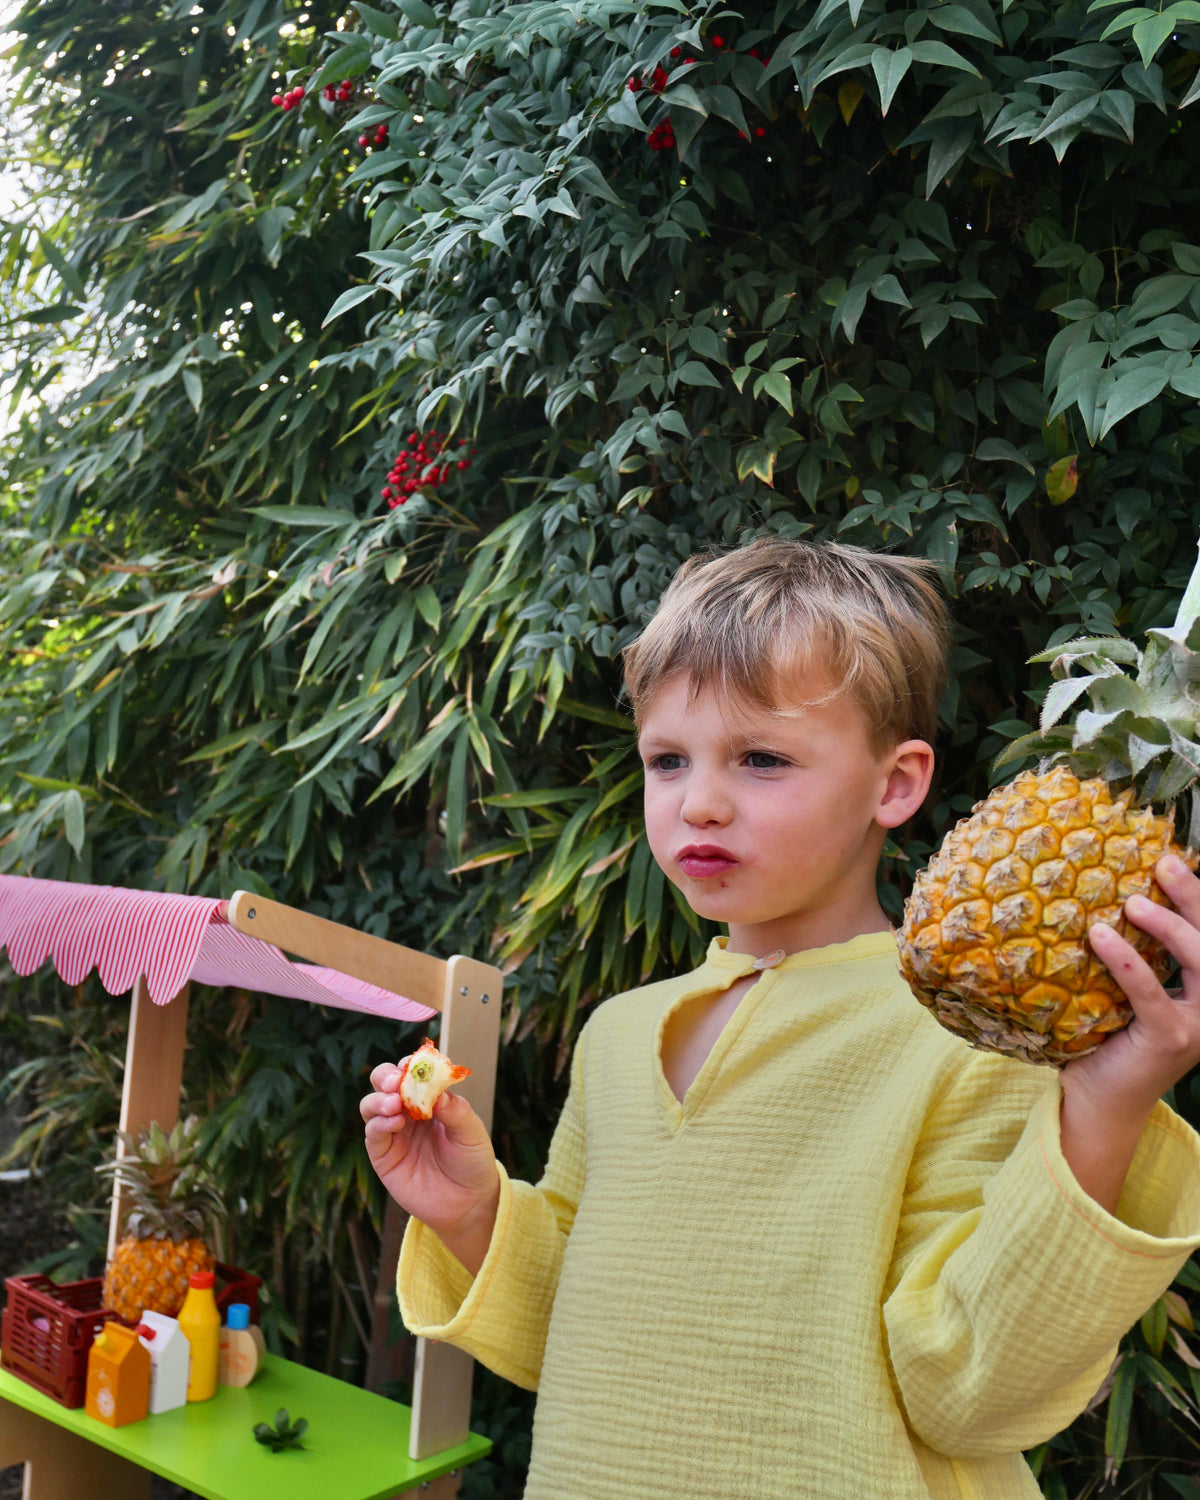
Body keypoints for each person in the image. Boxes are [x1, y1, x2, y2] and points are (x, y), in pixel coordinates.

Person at [360, 537, 1200, 1500]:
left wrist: (1102, 1111)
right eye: (667, 760)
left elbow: (972, 1392)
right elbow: (588, 1340)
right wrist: (473, 1214)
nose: (699, 803)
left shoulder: (970, 1032)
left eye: (761, 758)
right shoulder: (617, 1035)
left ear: (896, 784)